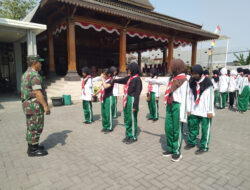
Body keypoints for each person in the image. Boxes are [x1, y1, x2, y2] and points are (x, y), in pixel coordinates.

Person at [146, 59, 189, 162]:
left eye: (172, 66)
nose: (170, 68)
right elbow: (159, 81)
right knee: (168, 127)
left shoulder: (184, 80)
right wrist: (147, 79)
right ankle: (170, 148)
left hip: (178, 106)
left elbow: (185, 98)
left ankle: (176, 151)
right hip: (169, 105)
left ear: (177, 67)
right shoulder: (171, 78)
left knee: (176, 129)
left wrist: (183, 115)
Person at [21, 55, 50, 157]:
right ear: (35, 63)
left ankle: (33, 146)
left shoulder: (26, 74)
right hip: (34, 107)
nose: (41, 64)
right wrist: (46, 106)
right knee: (36, 127)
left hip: (28, 106)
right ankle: (33, 150)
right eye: (39, 62)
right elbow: (38, 93)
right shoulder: (34, 75)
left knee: (31, 126)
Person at [185, 64, 214, 155]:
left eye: (196, 73)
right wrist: (188, 109)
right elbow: (189, 96)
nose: (194, 75)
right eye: (192, 73)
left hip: (205, 111)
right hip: (194, 109)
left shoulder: (207, 82)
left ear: (200, 73)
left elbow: (210, 97)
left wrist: (210, 110)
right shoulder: (192, 81)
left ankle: (204, 146)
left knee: (205, 129)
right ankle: (192, 142)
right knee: (193, 127)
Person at [113, 63, 142, 144]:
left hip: (132, 100)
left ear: (133, 69)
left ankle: (133, 136)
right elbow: (122, 80)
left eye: (129, 69)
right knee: (127, 118)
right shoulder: (130, 78)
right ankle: (128, 134)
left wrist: (135, 105)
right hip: (126, 99)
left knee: (132, 119)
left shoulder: (137, 79)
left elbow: (137, 94)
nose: (127, 71)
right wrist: (113, 80)